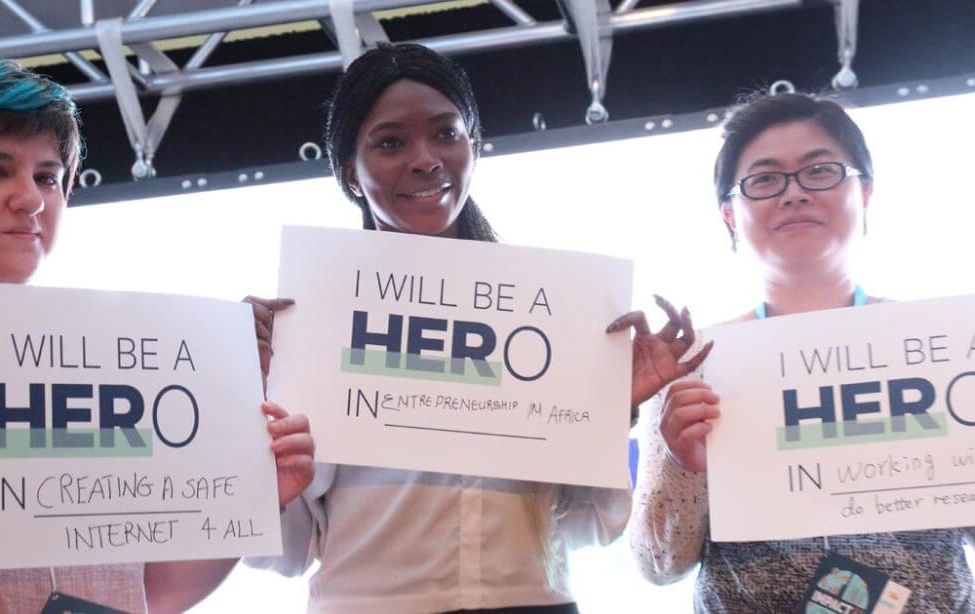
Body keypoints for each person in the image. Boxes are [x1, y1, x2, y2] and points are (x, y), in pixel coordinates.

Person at [0, 54, 314, 613]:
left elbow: (156, 592)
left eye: (48, 176)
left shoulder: (118, 362)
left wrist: (253, 497)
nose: (31, 198)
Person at [244, 43, 709, 613]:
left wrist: (611, 409)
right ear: (349, 170)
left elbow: (591, 527)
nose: (425, 159)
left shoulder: (550, 316)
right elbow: (283, 553)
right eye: (390, 142)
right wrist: (251, 407)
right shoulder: (304, 321)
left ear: (474, 145)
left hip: (533, 601)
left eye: (446, 134)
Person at [629, 92, 975, 611]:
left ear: (866, 192)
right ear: (729, 213)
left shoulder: (947, 345)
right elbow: (658, 565)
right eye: (765, 179)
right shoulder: (696, 364)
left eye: (820, 171)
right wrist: (685, 466)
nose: (793, 193)